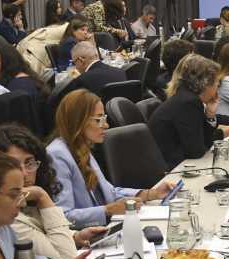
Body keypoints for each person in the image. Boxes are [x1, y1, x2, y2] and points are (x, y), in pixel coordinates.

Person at [0, 124, 109, 259]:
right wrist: (42, 196)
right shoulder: (8, 219)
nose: (24, 173)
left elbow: (43, 233)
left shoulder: (29, 203)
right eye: (13, 166)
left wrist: (76, 236)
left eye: (29, 163)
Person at [48, 91, 172, 227]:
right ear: (78, 121)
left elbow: (110, 192)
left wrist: (151, 194)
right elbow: (63, 216)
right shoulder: (57, 155)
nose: (106, 125)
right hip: (84, 235)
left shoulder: (82, 147)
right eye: (98, 120)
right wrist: (108, 210)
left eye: (104, 118)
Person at [149, 54, 229, 169]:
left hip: (175, 161)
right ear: (205, 84)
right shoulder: (188, 102)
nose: (217, 89)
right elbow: (197, 151)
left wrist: (210, 115)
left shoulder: (187, 96)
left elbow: (203, 140)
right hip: (171, 168)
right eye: (216, 84)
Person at [48, 42, 126, 114]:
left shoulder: (82, 80)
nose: (76, 67)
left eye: (75, 63)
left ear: (81, 60)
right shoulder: (120, 72)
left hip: (98, 120)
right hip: (122, 118)